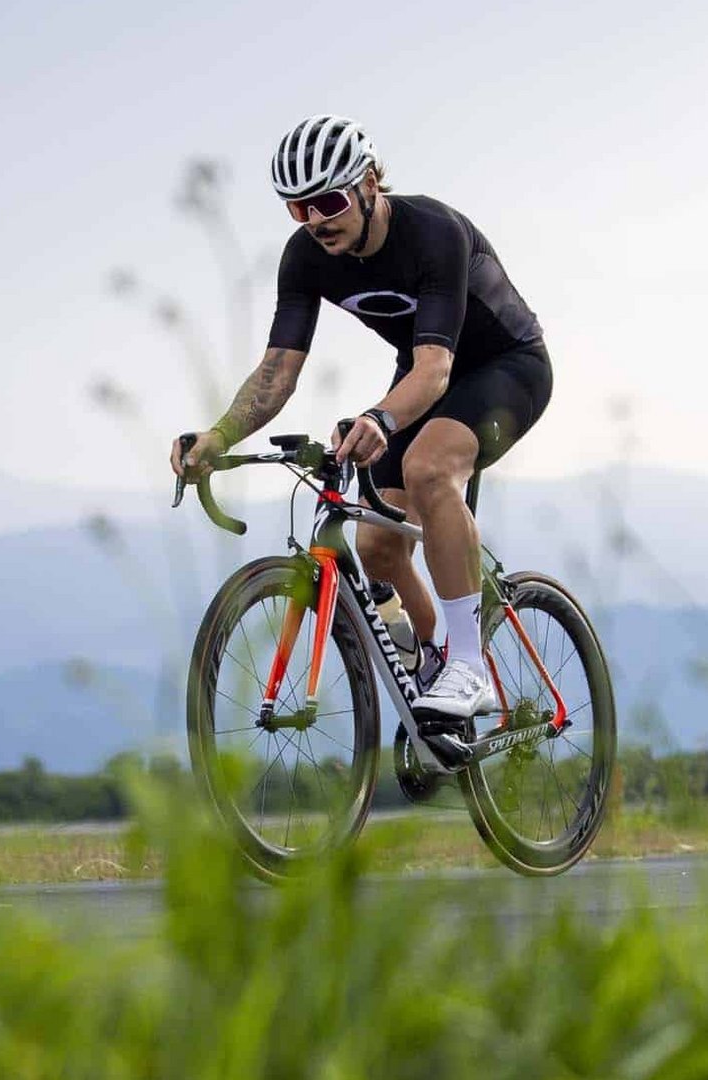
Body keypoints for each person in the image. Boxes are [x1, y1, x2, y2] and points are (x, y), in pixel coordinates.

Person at [170, 115, 552, 764]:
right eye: (297, 208)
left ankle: (470, 665)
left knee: (431, 470)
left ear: (370, 184)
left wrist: (379, 418)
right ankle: (436, 661)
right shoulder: (307, 256)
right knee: (377, 544)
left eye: (328, 201)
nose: (315, 221)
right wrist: (218, 434)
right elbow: (277, 373)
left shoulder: (433, 233)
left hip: (506, 367)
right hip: (426, 376)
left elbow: (436, 369)